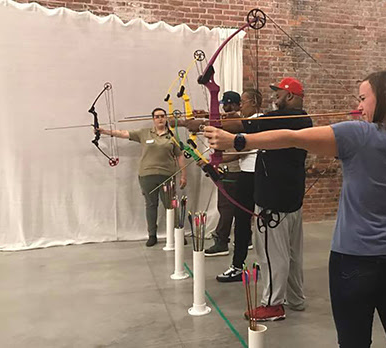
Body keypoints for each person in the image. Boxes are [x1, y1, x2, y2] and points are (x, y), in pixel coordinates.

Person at [204, 70, 386, 347]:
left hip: (356, 259)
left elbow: (293, 137)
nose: (359, 107)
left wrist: (237, 141)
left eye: (364, 99)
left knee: (353, 342)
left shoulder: (359, 134)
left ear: (385, 100)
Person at [201, 77, 312, 321]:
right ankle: (295, 298)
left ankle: (272, 305)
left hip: (274, 203)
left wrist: (210, 123)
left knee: (272, 255)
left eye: (279, 94)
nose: (275, 97)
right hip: (290, 201)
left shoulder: (285, 120)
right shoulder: (299, 120)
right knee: (291, 254)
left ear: (290, 96)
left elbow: (242, 126)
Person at [97, 108, 187, 247]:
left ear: (166, 118)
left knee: (171, 206)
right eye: (157, 117)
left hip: (167, 175)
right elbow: (123, 133)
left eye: (162, 116)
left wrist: (183, 175)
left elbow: (180, 155)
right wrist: (104, 131)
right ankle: (152, 235)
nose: (160, 119)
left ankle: (178, 234)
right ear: (153, 119)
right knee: (151, 205)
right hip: (147, 175)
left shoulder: (173, 136)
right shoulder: (144, 133)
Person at [215, 89, 262, 282]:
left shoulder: (260, 121)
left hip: (256, 176)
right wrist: (216, 160)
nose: (240, 105)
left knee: (254, 222)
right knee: (242, 222)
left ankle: (256, 263)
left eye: (243, 102)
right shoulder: (248, 123)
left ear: (253, 102)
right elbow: (242, 151)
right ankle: (238, 266)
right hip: (247, 174)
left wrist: (209, 123)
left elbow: (245, 146)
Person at [204, 91, 244, 256]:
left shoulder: (236, 124)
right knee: (237, 207)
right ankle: (245, 238)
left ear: (233, 105)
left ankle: (222, 242)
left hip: (233, 171)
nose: (223, 107)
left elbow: (241, 151)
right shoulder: (230, 121)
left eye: (225, 104)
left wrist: (217, 161)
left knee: (226, 207)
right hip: (230, 170)